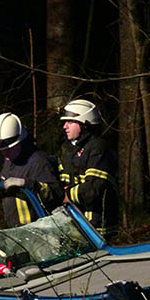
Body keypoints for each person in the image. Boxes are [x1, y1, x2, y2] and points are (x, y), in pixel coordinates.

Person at [0, 113, 63, 228]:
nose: (5, 154)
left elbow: (57, 193)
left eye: (8, 149)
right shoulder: (10, 160)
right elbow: (8, 183)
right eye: (2, 150)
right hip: (17, 231)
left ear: (20, 141)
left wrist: (26, 184)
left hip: (40, 232)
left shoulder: (39, 162)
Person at [58, 99, 118, 237]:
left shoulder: (98, 148)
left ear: (85, 123)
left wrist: (66, 195)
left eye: (70, 122)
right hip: (76, 225)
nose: (65, 126)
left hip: (97, 229)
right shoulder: (68, 150)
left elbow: (92, 190)